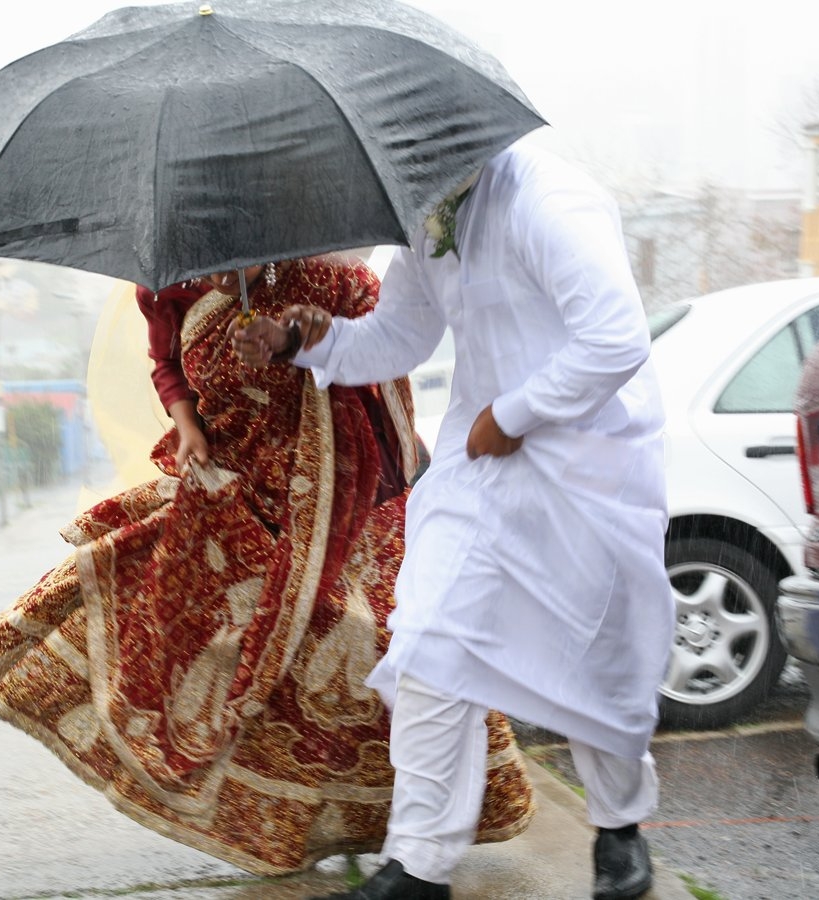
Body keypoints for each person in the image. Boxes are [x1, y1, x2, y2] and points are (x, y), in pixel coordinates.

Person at [0, 255, 536, 877]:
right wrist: (185, 425)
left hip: (343, 490)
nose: (227, 269)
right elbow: (168, 367)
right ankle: (284, 825)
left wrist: (310, 340)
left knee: (382, 642)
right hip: (233, 479)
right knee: (178, 615)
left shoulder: (328, 283)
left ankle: (413, 834)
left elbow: (385, 357)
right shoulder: (169, 289)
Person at [233, 137, 675, 900]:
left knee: (600, 660)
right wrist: (306, 341)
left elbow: (616, 338)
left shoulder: (549, 200)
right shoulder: (430, 218)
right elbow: (402, 335)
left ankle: (619, 824)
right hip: (480, 472)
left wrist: (516, 412)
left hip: (588, 466)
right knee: (430, 641)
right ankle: (419, 863)